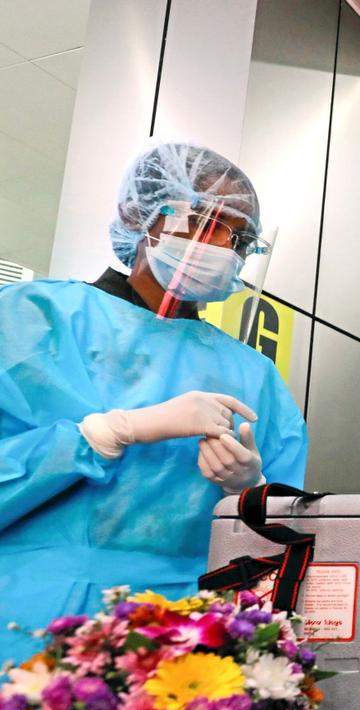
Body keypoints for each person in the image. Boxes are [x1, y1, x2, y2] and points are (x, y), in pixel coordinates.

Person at [0, 141, 308, 664]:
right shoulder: (31, 318)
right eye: (205, 221)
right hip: (26, 622)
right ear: (137, 215)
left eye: (238, 237)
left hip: (184, 636)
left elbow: (284, 535)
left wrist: (249, 494)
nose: (220, 247)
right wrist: (102, 434)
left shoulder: (252, 374)